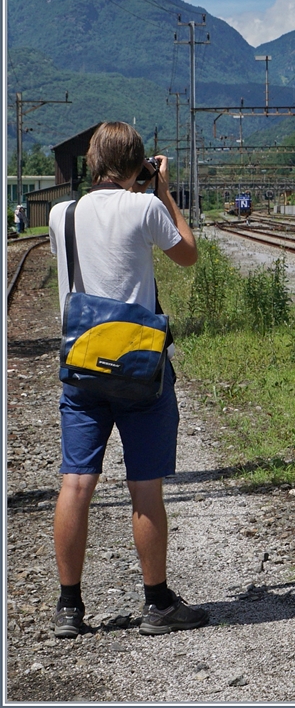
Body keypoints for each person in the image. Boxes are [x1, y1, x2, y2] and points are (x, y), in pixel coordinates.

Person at [47, 122, 204, 639]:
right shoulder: (146, 207)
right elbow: (187, 252)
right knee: (144, 487)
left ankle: (69, 608)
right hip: (140, 369)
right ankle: (156, 603)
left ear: (92, 161)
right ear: (139, 163)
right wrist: (163, 191)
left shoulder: (60, 213)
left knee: (76, 483)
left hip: (83, 366)